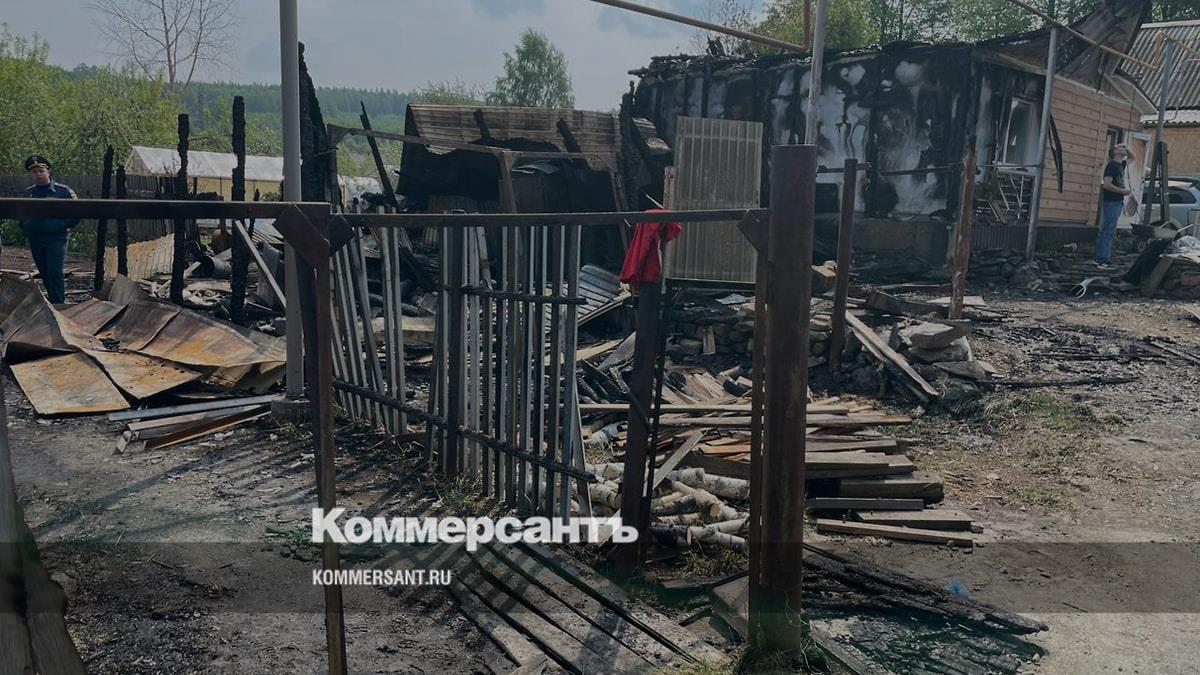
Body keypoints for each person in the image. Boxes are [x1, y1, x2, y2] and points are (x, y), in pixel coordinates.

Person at [19, 155, 78, 303]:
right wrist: (26, 226)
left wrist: (60, 225)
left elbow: (77, 213)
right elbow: (21, 215)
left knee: (54, 271)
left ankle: (58, 303)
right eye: (34, 172)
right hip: (36, 239)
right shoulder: (28, 193)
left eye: (41, 171)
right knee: (44, 271)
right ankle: (52, 300)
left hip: (56, 238)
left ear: (48, 172)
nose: (38, 174)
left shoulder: (63, 191)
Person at [1097, 144, 1132, 268]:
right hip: (1111, 201)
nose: (1123, 149)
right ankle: (1103, 259)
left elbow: (1132, 158)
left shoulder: (1121, 165)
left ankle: (1100, 257)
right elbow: (1106, 185)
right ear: (1115, 152)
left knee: (1108, 229)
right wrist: (1123, 191)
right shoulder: (1111, 166)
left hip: (1117, 201)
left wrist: (1126, 148)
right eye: (1119, 148)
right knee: (1109, 230)